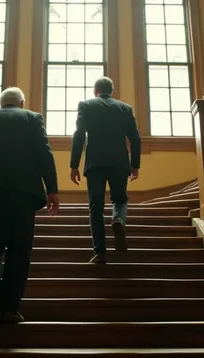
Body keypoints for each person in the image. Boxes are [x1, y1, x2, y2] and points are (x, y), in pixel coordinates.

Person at [0, 87, 60, 323]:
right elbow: (45, 154)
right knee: (19, 250)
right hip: (24, 194)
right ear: (21, 102)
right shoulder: (32, 118)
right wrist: (52, 189)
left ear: (1, 102)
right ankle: (9, 310)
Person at [70, 77, 141, 264]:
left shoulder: (86, 105)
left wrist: (74, 165)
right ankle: (118, 220)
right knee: (120, 198)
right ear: (112, 90)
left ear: (95, 91)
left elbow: (79, 135)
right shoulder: (125, 108)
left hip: (95, 163)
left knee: (96, 207)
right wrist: (135, 164)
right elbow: (135, 138)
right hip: (119, 162)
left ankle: (100, 253)